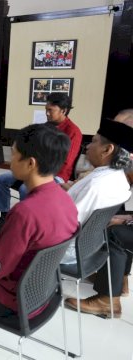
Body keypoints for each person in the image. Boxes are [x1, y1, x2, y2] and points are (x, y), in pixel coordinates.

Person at [0, 124, 78, 318]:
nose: (10, 160)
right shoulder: (67, 201)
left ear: (31, 163)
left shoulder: (25, 212)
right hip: (42, 292)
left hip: (11, 299)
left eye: (14, 154)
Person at [63, 119, 133, 318]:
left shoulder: (96, 184)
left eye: (93, 141)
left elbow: (68, 223)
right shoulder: (119, 180)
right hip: (89, 247)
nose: (87, 146)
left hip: (66, 251)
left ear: (107, 149)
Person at [0, 93, 82, 231]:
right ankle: (4, 217)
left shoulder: (73, 132)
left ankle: (26, 223)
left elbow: (64, 161)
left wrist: (36, 171)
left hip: (56, 173)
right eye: (46, 110)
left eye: (51, 111)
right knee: (1, 180)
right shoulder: (46, 126)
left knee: (26, 188)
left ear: (64, 110)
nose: (47, 113)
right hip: (35, 168)